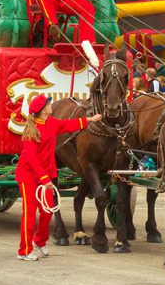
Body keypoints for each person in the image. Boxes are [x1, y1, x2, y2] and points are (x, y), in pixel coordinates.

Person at [15, 95, 101, 261]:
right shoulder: (31, 131)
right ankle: (24, 250)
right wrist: (45, 178)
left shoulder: (51, 122)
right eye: (48, 103)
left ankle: (39, 242)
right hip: (29, 176)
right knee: (30, 213)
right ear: (42, 110)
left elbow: (69, 125)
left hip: (45, 175)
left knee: (47, 212)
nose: (50, 105)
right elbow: (32, 159)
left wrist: (90, 119)